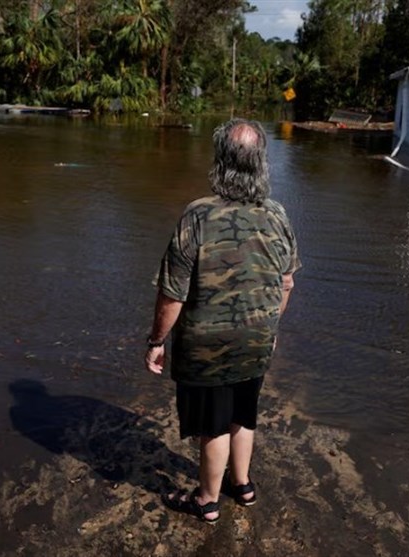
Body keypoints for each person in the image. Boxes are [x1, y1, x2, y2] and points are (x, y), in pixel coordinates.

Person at [145, 118, 301, 523]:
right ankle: (243, 485)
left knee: (213, 424)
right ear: (261, 163)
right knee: (244, 413)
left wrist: (156, 340)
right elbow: (286, 282)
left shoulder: (197, 214)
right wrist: (270, 326)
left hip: (207, 342)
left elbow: (172, 294)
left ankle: (207, 500)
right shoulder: (278, 214)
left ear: (221, 161)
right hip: (258, 336)